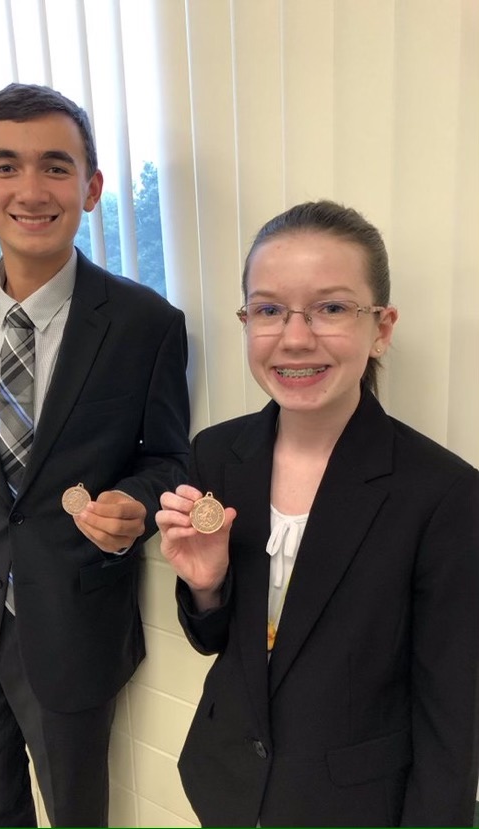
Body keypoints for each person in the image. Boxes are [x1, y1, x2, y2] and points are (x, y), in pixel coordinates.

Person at [0, 82, 190, 828]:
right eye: (6, 166)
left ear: (91, 188)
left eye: (57, 167)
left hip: (72, 623)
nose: (32, 189)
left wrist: (140, 503)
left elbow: (170, 461)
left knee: (75, 811)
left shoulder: (144, 323)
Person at [157, 200, 479, 827]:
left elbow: (452, 715)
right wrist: (207, 588)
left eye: (331, 308)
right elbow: (214, 643)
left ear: (381, 327)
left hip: (355, 806)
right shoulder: (218, 454)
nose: (295, 337)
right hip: (227, 785)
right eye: (269, 309)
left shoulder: (442, 494)